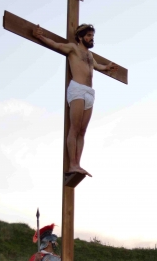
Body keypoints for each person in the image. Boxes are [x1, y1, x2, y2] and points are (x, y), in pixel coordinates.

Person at [33, 23, 118, 177]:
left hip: (90, 93)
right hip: (77, 89)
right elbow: (55, 44)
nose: (91, 39)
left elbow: (96, 66)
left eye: (92, 36)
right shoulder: (73, 48)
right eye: (89, 36)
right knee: (75, 127)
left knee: (82, 131)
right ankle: (72, 164)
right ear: (80, 37)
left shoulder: (90, 56)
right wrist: (40, 36)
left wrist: (107, 67)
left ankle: (78, 164)